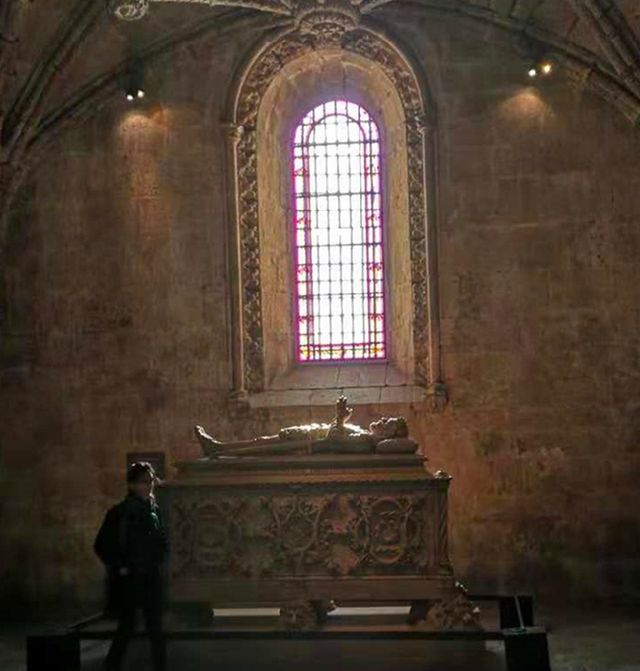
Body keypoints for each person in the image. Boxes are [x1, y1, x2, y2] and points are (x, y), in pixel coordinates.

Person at [94, 462, 168, 671]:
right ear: (132, 485)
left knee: (155, 628)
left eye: (150, 481)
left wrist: (160, 557)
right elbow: (102, 545)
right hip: (131, 579)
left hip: (150, 577)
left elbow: (159, 541)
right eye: (143, 482)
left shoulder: (154, 510)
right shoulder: (120, 513)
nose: (149, 486)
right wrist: (121, 567)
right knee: (127, 627)